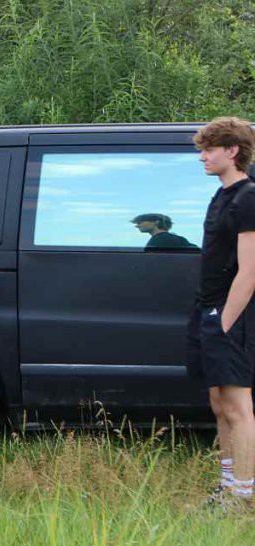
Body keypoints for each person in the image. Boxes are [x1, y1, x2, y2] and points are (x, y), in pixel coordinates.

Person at [186, 116, 255, 512]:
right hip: (207, 309)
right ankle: (227, 488)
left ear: (232, 150)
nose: (203, 157)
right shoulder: (221, 196)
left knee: (238, 407)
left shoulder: (249, 198)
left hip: (231, 314)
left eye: (209, 149)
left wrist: (225, 322)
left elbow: (250, 272)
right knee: (218, 403)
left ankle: (243, 496)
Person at [131, 213, 195, 250]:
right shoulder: (179, 239)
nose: (137, 226)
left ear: (156, 222)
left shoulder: (159, 240)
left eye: (139, 223)